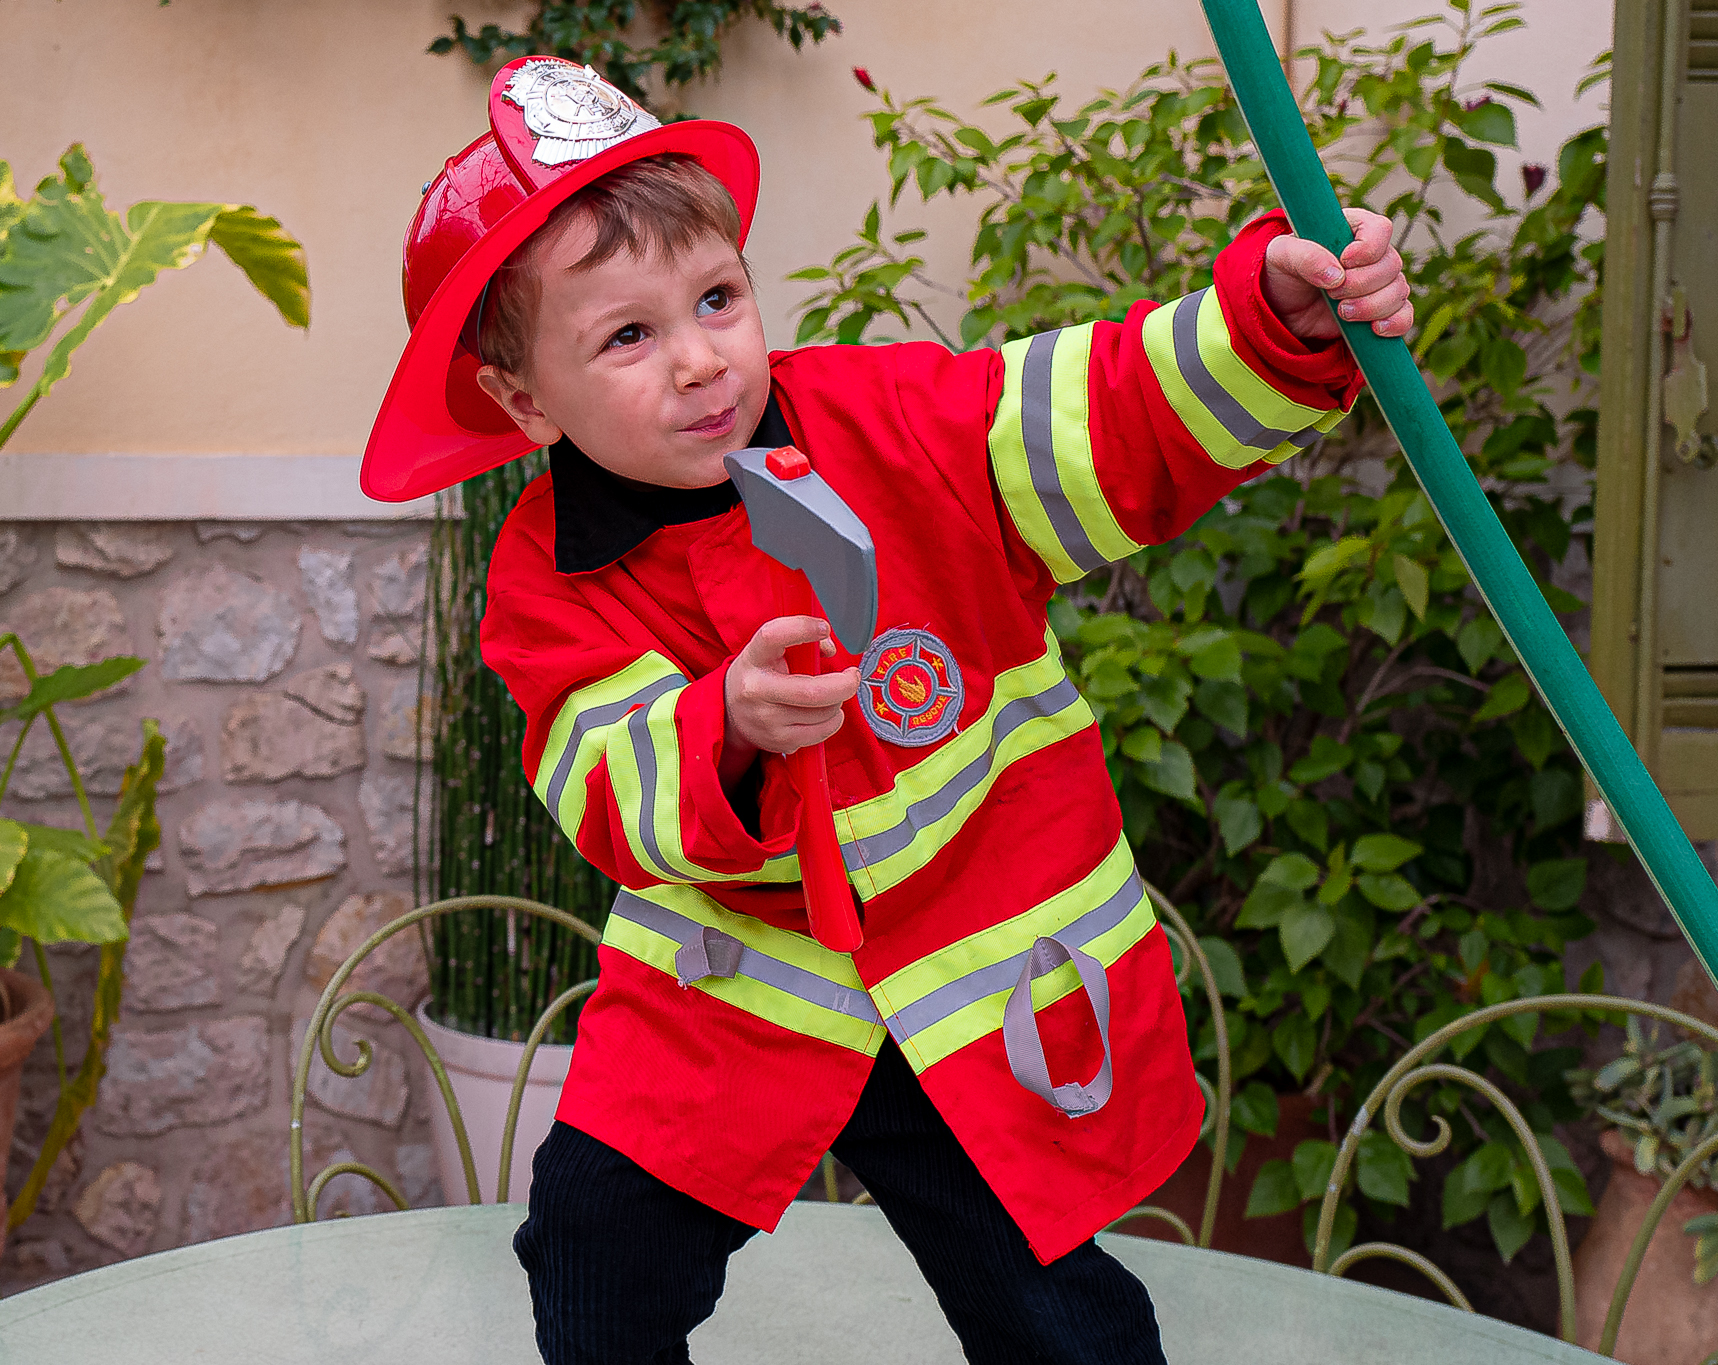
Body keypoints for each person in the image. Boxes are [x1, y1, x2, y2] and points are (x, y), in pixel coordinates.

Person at [362, 55, 1413, 1365]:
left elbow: (1110, 410)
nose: (699, 360)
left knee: (1047, 1302)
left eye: (718, 298)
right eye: (628, 337)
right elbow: (600, 775)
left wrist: (1267, 320)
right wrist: (731, 729)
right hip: (737, 996)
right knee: (592, 1247)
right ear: (524, 401)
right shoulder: (544, 574)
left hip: (966, 983)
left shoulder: (899, 420)